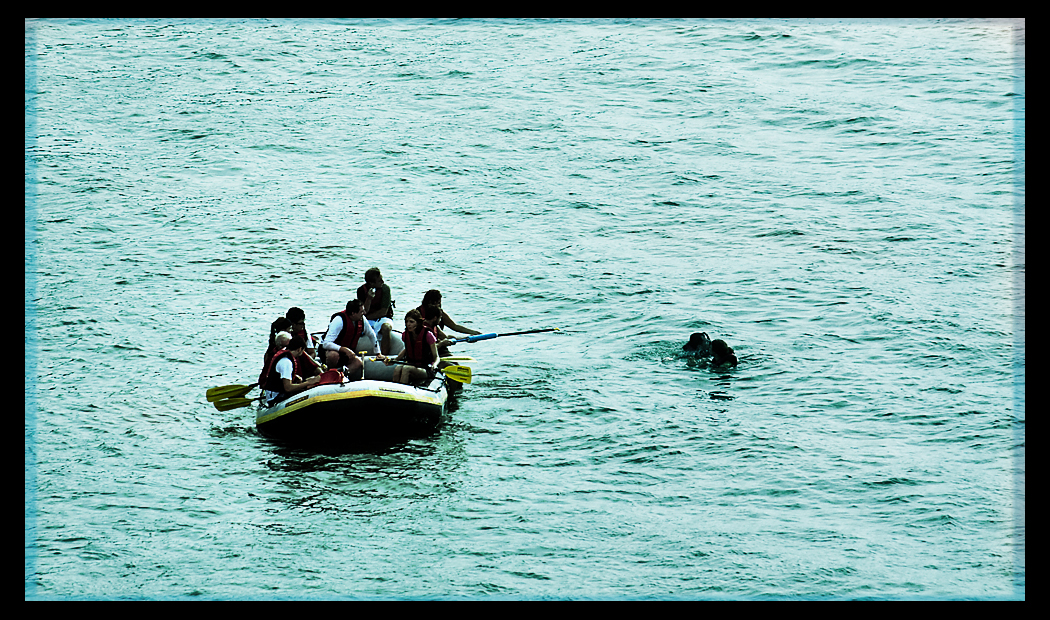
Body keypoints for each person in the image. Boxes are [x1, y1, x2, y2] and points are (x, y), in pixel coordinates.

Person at [320, 299, 379, 381]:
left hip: (346, 353)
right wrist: (344, 349)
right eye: (361, 311)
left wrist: (378, 353)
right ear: (353, 313)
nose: (364, 313)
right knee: (333, 355)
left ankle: (341, 376)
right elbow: (326, 343)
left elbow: (372, 335)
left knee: (358, 363)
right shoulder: (339, 320)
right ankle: (329, 375)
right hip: (329, 351)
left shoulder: (362, 320)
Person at [381, 308, 438, 385]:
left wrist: (434, 365)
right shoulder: (405, 335)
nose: (408, 324)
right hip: (412, 365)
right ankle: (395, 391)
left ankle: (403, 391)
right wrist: (395, 359)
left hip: (425, 368)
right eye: (407, 321)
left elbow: (436, 357)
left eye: (411, 322)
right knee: (398, 368)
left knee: (406, 369)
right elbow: (406, 350)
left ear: (418, 323)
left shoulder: (428, 335)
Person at [261, 334, 321, 406]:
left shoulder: (286, 356)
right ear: (299, 349)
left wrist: (295, 377)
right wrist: (308, 382)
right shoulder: (286, 362)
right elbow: (288, 388)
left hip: (278, 392)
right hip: (275, 397)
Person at [357, 267, 396, 354]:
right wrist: (369, 299)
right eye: (379, 280)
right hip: (368, 318)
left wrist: (365, 317)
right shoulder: (361, 291)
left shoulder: (385, 289)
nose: (382, 282)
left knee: (386, 328)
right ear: (371, 283)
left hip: (383, 318)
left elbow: (383, 312)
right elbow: (364, 311)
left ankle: (384, 355)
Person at [417, 289, 481, 338]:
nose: (439, 305)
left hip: (438, 344)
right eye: (438, 303)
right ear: (430, 302)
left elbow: (454, 326)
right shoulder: (417, 314)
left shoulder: (439, 313)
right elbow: (443, 337)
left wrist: (473, 332)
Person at [286, 306, 322, 378]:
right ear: (293, 324)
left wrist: (306, 362)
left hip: (303, 364)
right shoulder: (284, 337)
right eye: (301, 323)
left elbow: (312, 352)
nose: (303, 326)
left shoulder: (305, 332)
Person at [258, 316, 293, 387]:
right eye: (290, 328)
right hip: (273, 385)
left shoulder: (270, 350)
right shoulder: (278, 352)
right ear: (284, 330)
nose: (291, 330)